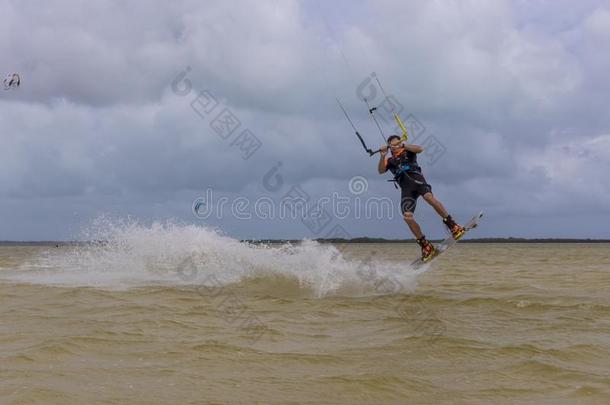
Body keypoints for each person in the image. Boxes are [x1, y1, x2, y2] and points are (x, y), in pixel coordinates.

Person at [379, 135, 464, 260]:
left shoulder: (408, 151)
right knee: (407, 217)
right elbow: (381, 171)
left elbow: (420, 149)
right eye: (392, 145)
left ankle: (452, 225)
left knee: (429, 197)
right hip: (407, 189)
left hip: (417, 180)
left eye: (396, 144)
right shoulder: (390, 160)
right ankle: (425, 245)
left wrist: (402, 145)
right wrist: (382, 155)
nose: (394, 147)